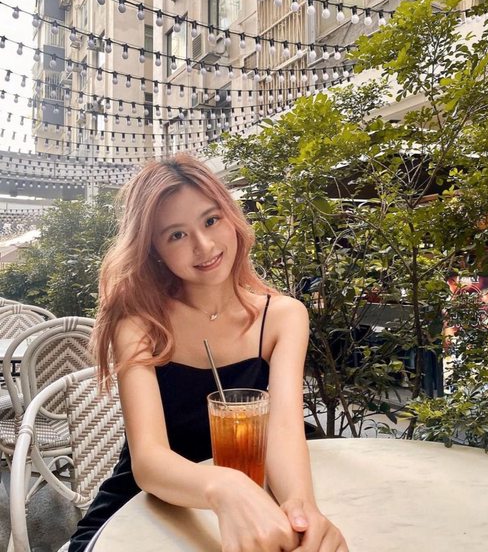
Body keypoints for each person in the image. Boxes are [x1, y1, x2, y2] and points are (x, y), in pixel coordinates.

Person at [69, 154, 348, 552]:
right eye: (176, 235)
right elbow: (147, 459)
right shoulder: (140, 323)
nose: (203, 245)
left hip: (250, 503)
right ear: (154, 249)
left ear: (231, 218)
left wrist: (300, 507)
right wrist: (224, 486)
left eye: (211, 220)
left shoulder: (284, 317)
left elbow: (284, 430)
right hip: (146, 506)